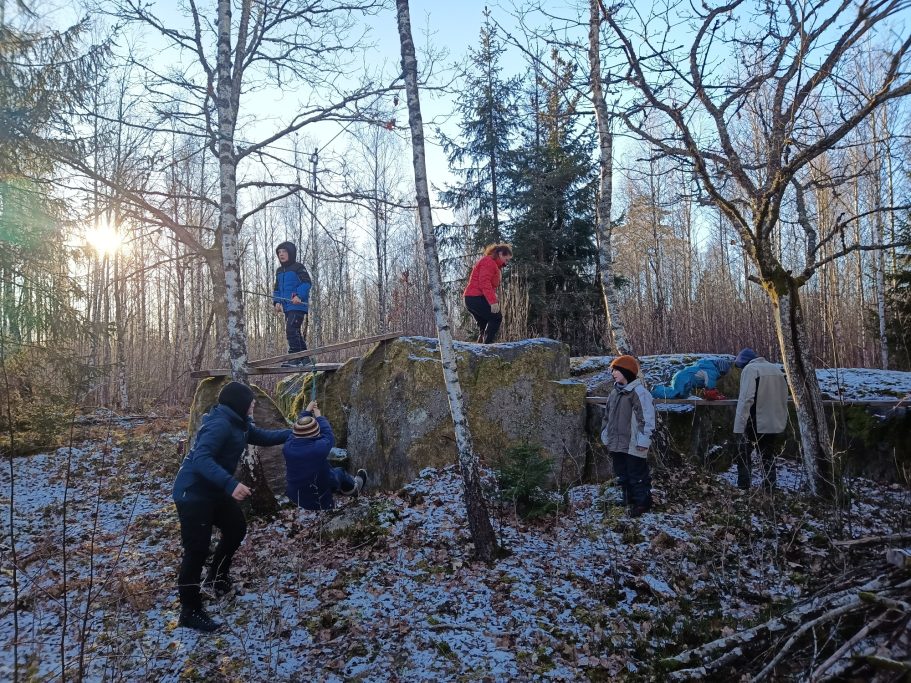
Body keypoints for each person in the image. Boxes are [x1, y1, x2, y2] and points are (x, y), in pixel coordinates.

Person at [172, 381, 291, 632]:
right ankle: (189, 610)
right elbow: (202, 458)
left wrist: (294, 433)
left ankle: (216, 577)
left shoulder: (240, 423)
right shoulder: (219, 424)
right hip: (193, 493)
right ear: (240, 403)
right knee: (197, 550)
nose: (254, 403)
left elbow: (262, 437)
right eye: (250, 400)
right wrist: (230, 484)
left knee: (236, 528)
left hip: (214, 491)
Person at [284, 400, 368, 511]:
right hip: (319, 495)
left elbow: (297, 430)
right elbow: (328, 434)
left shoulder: (288, 446)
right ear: (316, 435)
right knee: (340, 472)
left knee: (324, 472)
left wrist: (307, 411)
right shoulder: (319, 448)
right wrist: (318, 415)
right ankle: (354, 489)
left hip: (295, 493)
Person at [600, 355, 656, 517]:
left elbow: (647, 418)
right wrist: (605, 433)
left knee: (636, 473)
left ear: (627, 371)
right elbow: (607, 416)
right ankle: (628, 498)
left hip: (634, 443)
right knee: (622, 473)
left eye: (617, 370)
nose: (613, 373)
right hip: (617, 442)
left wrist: (644, 440)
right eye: (612, 370)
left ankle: (642, 502)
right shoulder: (614, 392)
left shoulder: (639, 393)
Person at [732, 348, 789, 491]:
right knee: (767, 455)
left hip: (754, 420)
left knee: (743, 453)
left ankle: (743, 486)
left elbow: (746, 398)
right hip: (774, 421)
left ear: (743, 363)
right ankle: (770, 487)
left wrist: (739, 425)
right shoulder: (776, 369)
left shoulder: (750, 370)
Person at [273, 241, 312, 367]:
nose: (281, 254)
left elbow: (307, 283)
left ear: (290, 253)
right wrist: (277, 302)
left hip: (298, 305)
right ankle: (305, 359)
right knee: (295, 331)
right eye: (279, 252)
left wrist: (298, 295)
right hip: (287, 307)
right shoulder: (279, 271)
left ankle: (294, 358)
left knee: (291, 329)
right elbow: (277, 288)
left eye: (284, 251)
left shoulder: (298, 267)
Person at [463, 243, 512, 344]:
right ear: (501, 254)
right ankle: (487, 347)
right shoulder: (489, 262)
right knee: (496, 318)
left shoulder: (493, 264)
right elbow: (484, 283)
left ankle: (480, 349)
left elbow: (490, 285)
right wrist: (492, 302)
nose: (507, 263)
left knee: (484, 324)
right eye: (506, 259)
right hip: (475, 297)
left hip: (472, 298)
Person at [651, 358, 732, 399]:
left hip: (685, 379)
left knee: (681, 396)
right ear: (722, 370)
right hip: (683, 378)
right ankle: (655, 391)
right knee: (674, 393)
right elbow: (710, 389)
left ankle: (658, 390)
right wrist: (716, 395)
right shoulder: (711, 372)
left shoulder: (709, 368)